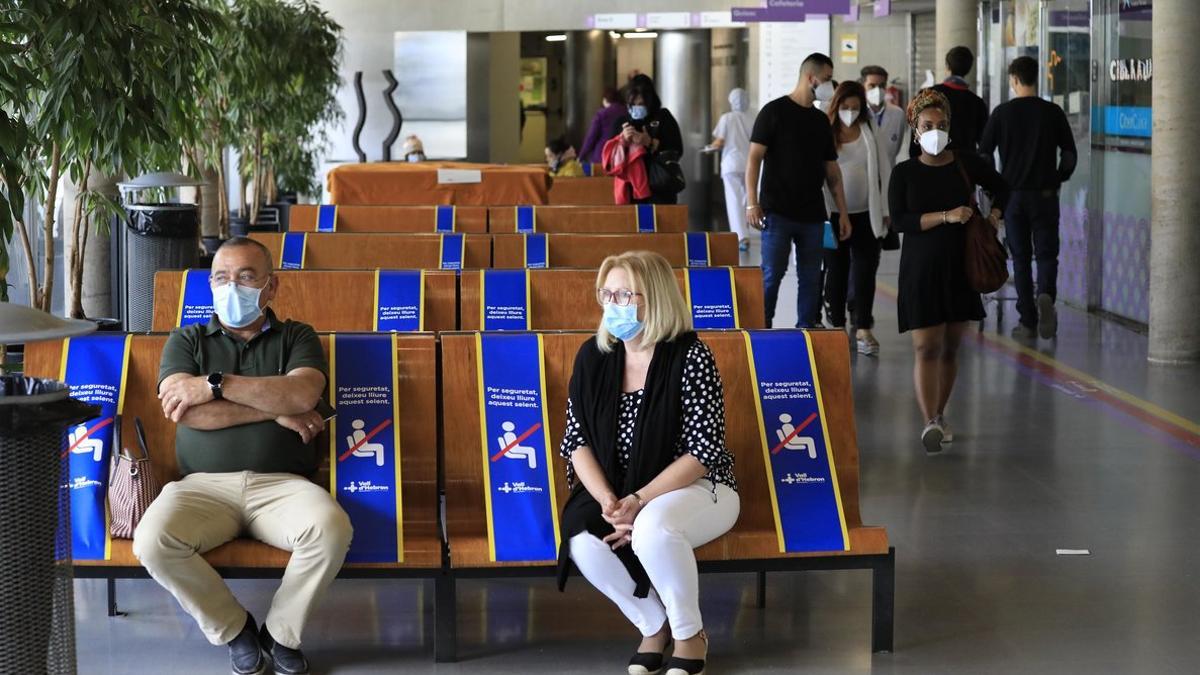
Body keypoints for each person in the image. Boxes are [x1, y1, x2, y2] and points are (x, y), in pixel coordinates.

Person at [138, 237, 352, 675]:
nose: (231, 287)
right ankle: (235, 630)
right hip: (202, 488)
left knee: (331, 529)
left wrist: (214, 384)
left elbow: (302, 393)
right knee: (152, 541)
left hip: (284, 485)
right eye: (221, 278)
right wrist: (276, 411)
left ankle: (281, 633)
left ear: (271, 286)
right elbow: (185, 412)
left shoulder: (297, 336)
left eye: (246, 277)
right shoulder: (187, 339)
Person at [557, 250, 739, 675]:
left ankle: (690, 635)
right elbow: (576, 441)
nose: (612, 304)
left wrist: (638, 501)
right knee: (582, 537)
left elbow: (703, 452)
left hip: (698, 489)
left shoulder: (691, 356)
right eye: (607, 294)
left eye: (624, 295)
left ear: (654, 298)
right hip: (620, 489)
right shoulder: (593, 357)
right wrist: (609, 501)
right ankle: (654, 625)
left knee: (653, 529)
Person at [888, 89, 1009, 453]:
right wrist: (946, 216)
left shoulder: (966, 163)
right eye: (928, 125)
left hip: (962, 266)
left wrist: (993, 216)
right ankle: (929, 421)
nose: (935, 132)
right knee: (926, 346)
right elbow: (900, 221)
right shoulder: (904, 172)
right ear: (915, 130)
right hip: (921, 269)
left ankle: (940, 414)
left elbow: (1002, 187)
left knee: (951, 347)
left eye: (941, 125)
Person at [746, 52, 852, 328]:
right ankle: (762, 328)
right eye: (827, 78)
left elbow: (832, 172)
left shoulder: (820, 121)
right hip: (777, 211)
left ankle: (806, 329)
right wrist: (752, 203)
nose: (830, 85)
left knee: (811, 276)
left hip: (813, 215)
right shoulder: (773, 112)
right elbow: (754, 158)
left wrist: (842, 212)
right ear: (810, 77)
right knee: (772, 273)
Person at [979, 56, 1078, 340]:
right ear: (1037, 77)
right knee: (1046, 254)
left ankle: (1027, 321)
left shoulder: (1002, 113)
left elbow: (984, 154)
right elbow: (1069, 155)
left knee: (1020, 258)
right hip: (1045, 195)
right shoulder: (1052, 112)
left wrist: (994, 186)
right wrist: (1058, 177)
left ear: (1013, 80)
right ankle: (1045, 294)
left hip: (1012, 197)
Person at [821, 81, 892, 356]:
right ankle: (838, 326)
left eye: (855, 107)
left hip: (866, 214)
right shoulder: (826, 132)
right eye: (845, 107)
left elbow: (884, 169)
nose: (849, 112)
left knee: (865, 271)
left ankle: (863, 327)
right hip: (832, 215)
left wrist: (885, 211)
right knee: (835, 271)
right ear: (836, 106)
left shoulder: (870, 130)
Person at [606, 74, 684, 204]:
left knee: (658, 217)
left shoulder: (663, 118)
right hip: (630, 192)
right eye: (632, 104)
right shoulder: (621, 123)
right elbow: (610, 161)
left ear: (650, 102)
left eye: (641, 104)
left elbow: (677, 150)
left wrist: (650, 142)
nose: (636, 108)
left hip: (660, 188)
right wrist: (622, 142)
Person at [909, 46, 989, 159]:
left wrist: (915, 161)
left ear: (947, 66)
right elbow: (983, 142)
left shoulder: (927, 95)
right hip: (964, 163)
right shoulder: (977, 103)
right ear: (969, 68)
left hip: (929, 161)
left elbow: (914, 132)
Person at [710, 87, 756, 251]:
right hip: (749, 165)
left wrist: (709, 147)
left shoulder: (727, 118)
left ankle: (741, 237)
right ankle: (747, 232)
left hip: (731, 165)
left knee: (734, 201)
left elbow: (719, 142)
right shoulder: (753, 118)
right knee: (746, 200)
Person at [861, 65, 909, 165]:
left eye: (881, 86)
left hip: (887, 169)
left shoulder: (898, 114)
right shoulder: (857, 113)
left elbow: (895, 149)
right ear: (863, 87)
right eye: (872, 86)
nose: (878, 90)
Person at [579, 87, 628, 165]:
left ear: (605, 99)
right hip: (623, 155)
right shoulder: (626, 111)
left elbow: (591, 137)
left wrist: (581, 156)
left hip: (602, 155)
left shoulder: (602, 114)